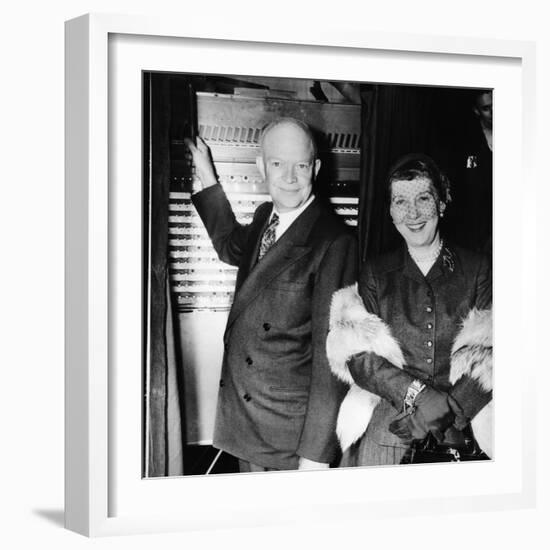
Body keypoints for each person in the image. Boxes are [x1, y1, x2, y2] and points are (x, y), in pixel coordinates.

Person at [186, 117, 358, 472]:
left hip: (290, 438)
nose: (290, 178)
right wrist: (207, 174)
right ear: (261, 166)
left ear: (317, 168)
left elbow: (333, 357)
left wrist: (316, 453)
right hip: (244, 421)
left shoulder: (334, 241)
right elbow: (230, 245)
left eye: (302, 165)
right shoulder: (266, 216)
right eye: (278, 164)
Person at [326, 153, 492, 466]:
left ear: (442, 204)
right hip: (394, 410)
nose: (412, 213)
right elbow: (360, 358)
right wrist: (419, 396)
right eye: (400, 201)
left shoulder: (478, 268)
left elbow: (495, 351)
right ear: (390, 211)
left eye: (423, 198)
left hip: (467, 414)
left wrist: (451, 411)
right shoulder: (374, 272)